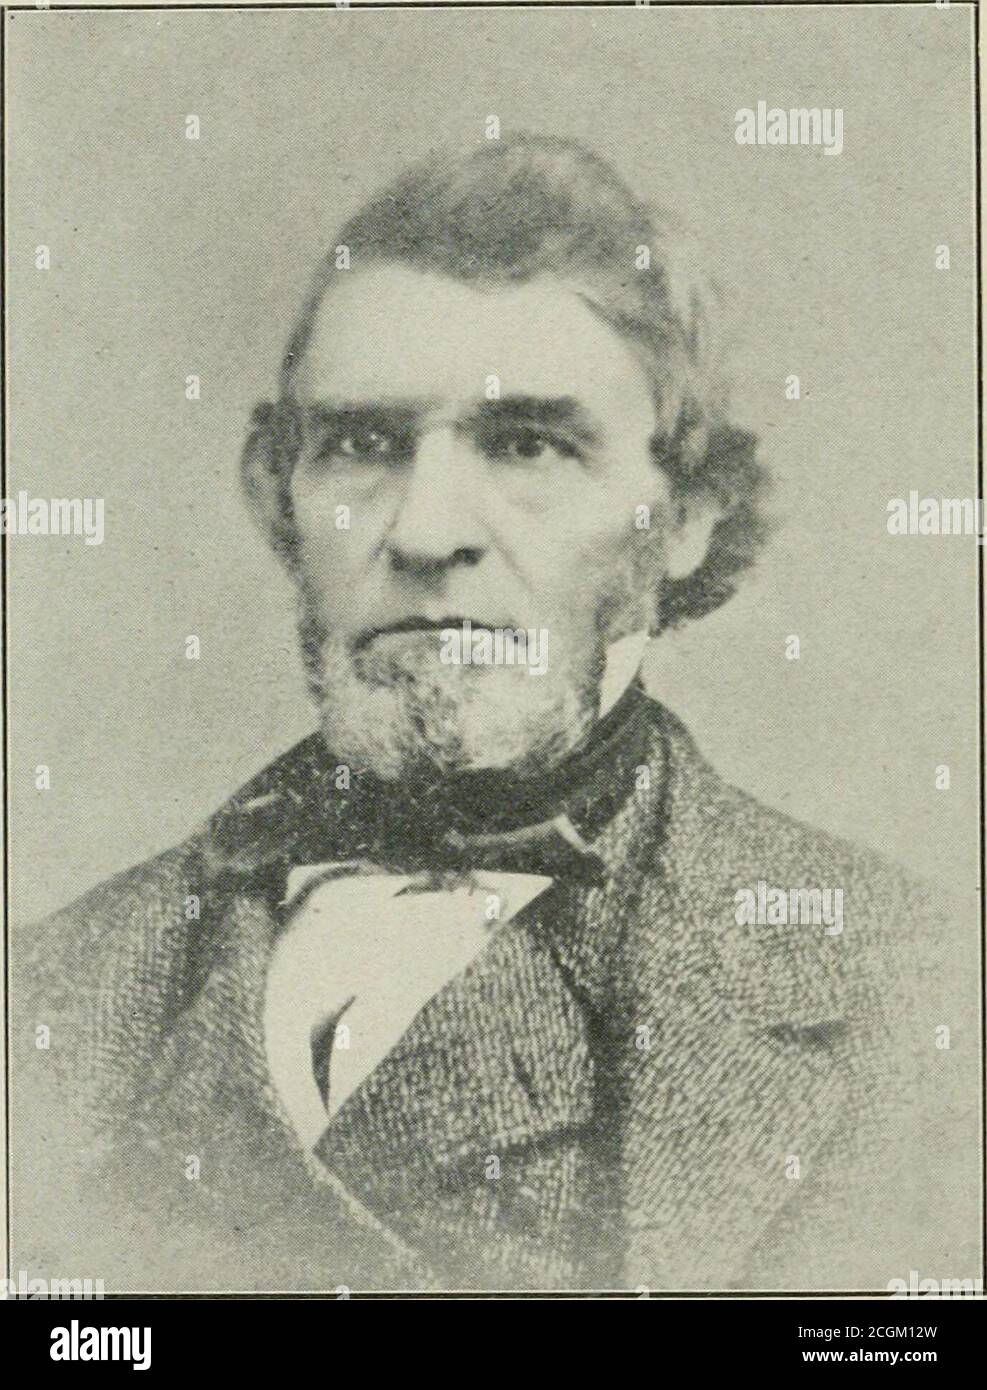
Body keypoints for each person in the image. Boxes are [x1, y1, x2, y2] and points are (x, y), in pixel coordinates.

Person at [11, 133, 977, 1294]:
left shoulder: (922, 1002)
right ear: (275, 493)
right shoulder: (46, 992)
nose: (425, 531)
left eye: (527, 445)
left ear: (685, 515)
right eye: (361, 445)